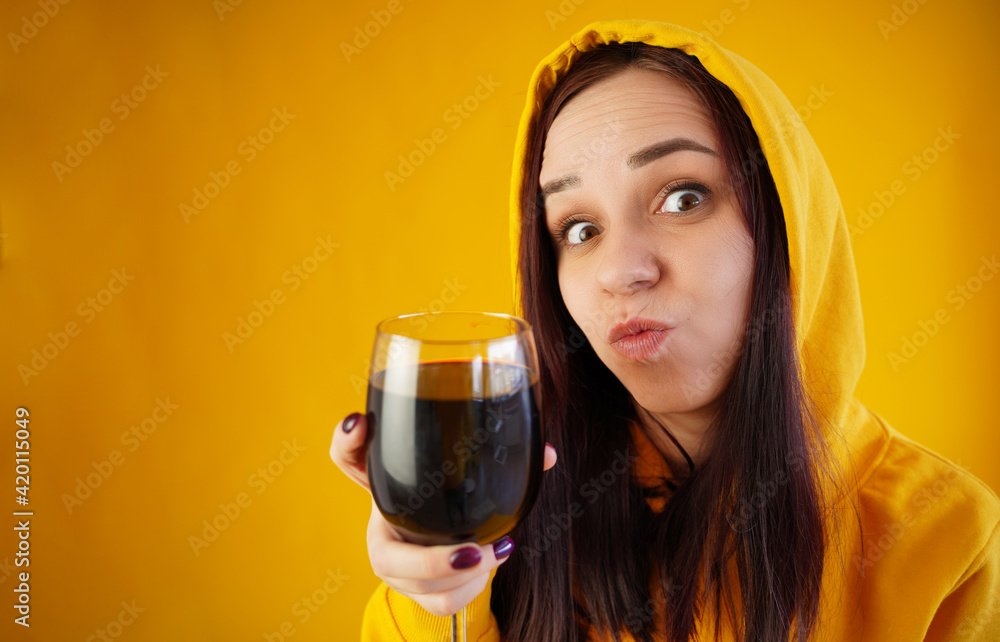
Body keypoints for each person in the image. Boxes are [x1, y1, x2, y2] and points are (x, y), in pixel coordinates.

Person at [331, 19, 1000, 641]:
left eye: (683, 198)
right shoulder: (515, 500)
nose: (620, 272)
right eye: (579, 229)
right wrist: (436, 599)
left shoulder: (948, 541)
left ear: (789, 224)